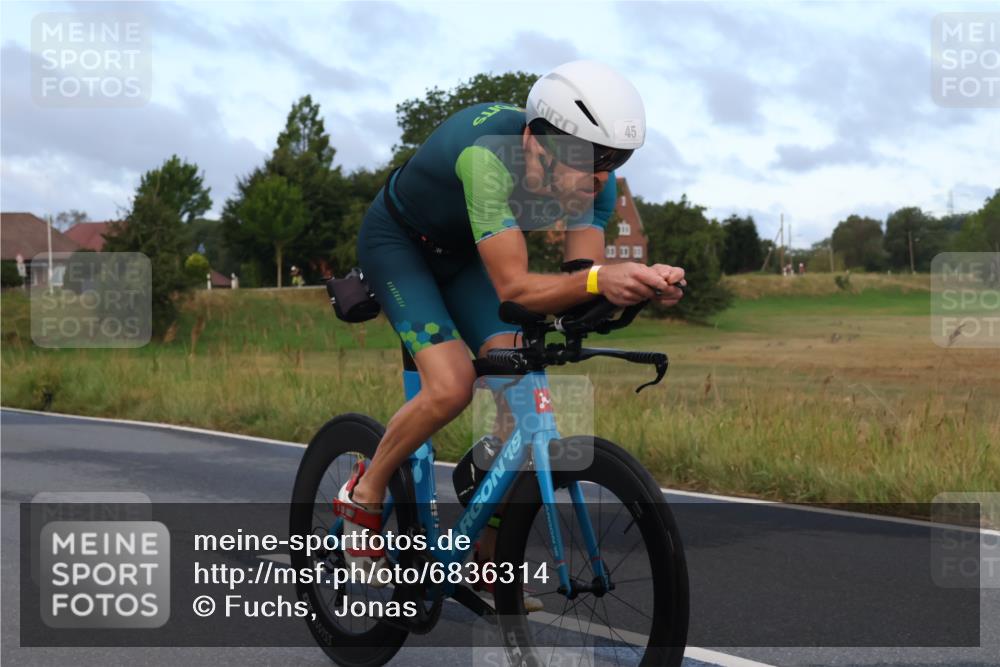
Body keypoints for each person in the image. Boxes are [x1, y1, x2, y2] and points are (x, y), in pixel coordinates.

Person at [334, 61, 686, 606]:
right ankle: (366, 489)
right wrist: (601, 278)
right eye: (590, 160)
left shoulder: (599, 184)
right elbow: (517, 288)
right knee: (450, 387)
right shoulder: (487, 160)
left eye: (615, 162)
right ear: (538, 142)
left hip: (469, 257)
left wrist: (636, 284)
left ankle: (484, 554)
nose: (600, 177)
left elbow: (578, 285)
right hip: (401, 248)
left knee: (521, 390)